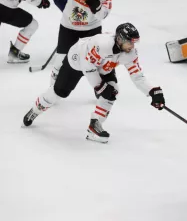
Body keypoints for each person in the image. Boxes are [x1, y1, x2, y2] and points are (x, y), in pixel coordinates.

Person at [22, 23, 166, 143]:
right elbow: (87, 67)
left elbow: (138, 76)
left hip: (104, 65)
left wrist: (152, 91)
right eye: (130, 42)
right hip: (78, 60)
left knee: (112, 91)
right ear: (120, 39)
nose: (132, 46)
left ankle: (95, 125)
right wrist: (100, 87)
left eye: (135, 42)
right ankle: (35, 110)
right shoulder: (102, 44)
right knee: (59, 92)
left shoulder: (130, 53)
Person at [49, 0, 112, 86]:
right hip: (68, 27)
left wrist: (97, 8)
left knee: (98, 61)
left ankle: (102, 91)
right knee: (60, 60)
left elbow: (104, 14)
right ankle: (53, 89)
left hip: (91, 29)